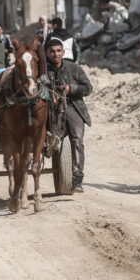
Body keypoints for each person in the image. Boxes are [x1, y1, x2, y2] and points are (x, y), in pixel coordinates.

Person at [45, 36, 93, 192]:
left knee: (77, 141)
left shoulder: (74, 68)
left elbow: (88, 88)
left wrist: (71, 89)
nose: (56, 54)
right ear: (47, 53)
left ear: (63, 52)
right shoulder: (42, 70)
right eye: (52, 51)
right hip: (49, 110)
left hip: (73, 107)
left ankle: (77, 179)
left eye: (58, 51)